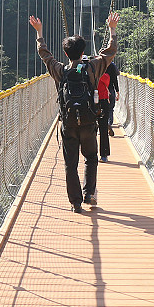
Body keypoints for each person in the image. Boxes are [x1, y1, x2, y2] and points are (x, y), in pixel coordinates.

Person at [29, 12, 118, 213]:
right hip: (88, 121)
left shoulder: (60, 71)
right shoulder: (93, 68)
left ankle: (75, 202)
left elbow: (45, 55)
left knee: (71, 164)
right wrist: (112, 29)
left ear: (66, 53)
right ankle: (89, 193)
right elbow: (109, 53)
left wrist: (39, 33)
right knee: (91, 158)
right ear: (83, 51)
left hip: (68, 123)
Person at [96, 59, 119, 161]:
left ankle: (103, 155)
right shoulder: (88, 72)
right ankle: (99, 155)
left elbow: (108, 79)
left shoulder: (103, 75)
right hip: (100, 101)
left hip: (101, 101)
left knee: (101, 129)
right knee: (98, 129)